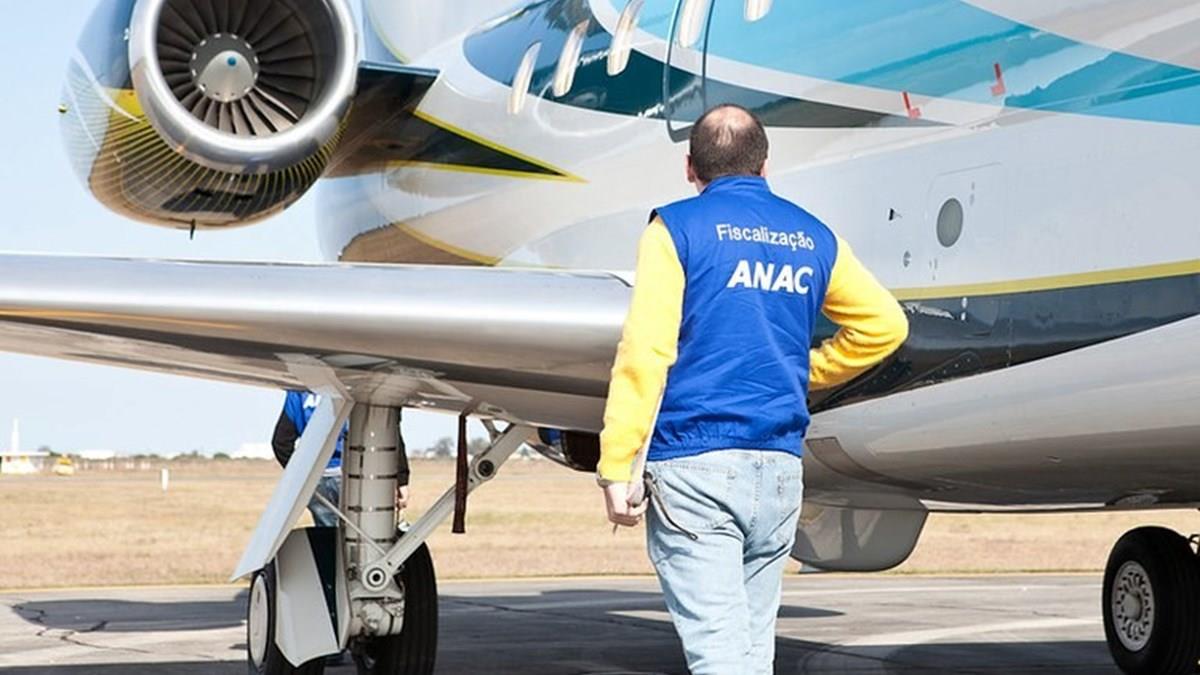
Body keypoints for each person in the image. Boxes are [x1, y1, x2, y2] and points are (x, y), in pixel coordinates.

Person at [598, 104, 909, 674]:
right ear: (765, 166)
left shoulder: (675, 229)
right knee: (750, 653)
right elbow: (885, 325)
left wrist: (617, 464)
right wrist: (803, 371)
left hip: (696, 467)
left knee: (721, 656)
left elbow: (646, 351)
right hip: (780, 470)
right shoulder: (813, 235)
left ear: (690, 168)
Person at [271, 390, 411, 528]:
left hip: (316, 481)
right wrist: (401, 478)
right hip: (355, 477)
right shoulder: (359, 387)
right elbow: (388, 429)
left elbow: (280, 442)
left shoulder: (298, 392)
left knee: (328, 537)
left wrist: (303, 478)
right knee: (367, 534)